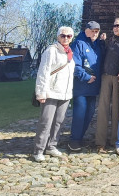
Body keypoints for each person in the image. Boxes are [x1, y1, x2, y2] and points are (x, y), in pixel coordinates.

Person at [32, 26, 75, 162]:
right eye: (63, 35)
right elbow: (43, 72)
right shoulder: (51, 51)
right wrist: (41, 92)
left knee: (59, 122)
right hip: (51, 92)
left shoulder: (70, 53)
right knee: (46, 122)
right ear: (58, 37)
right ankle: (38, 149)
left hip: (65, 93)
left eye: (69, 36)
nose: (66, 38)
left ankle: (51, 145)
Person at [95, 17, 119, 152]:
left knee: (117, 110)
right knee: (103, 109)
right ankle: (100, 142)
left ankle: (116, 140)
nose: (115, 28)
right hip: (106, 75)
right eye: (114, 25)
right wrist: (101, 42)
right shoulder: (110, 40)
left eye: (118, 25)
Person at [69, 21, 103, 152]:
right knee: (79, 113)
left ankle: (80, 137)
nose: (95, 33)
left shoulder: (97, 45)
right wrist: (86, 77)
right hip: (81, 87)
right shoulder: (79, 43)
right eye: (92, 30)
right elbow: (75, 65)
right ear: (86, 30)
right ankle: (74, 140)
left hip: (93, 88)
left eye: (97, 31)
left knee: (89, 113)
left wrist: (102, 42)